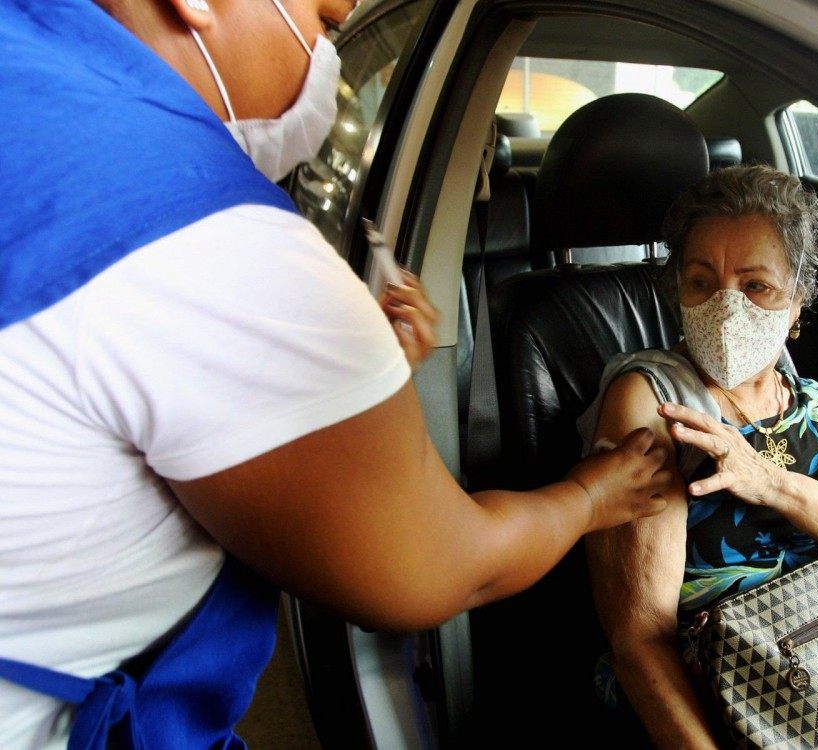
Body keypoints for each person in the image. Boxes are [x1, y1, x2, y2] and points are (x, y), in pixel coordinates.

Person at [0, 1, 669, 747]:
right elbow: (442, 572)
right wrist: (592, 495)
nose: (334, 35)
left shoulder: (31, 74)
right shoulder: (211, 238)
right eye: (322, 21)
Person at [578, 165, 818, 747]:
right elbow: (638, 639)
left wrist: (777, 484)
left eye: (757, 287)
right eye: (702, 282)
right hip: (723, 713)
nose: (726, 308)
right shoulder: (654, 405)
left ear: (798, 302)